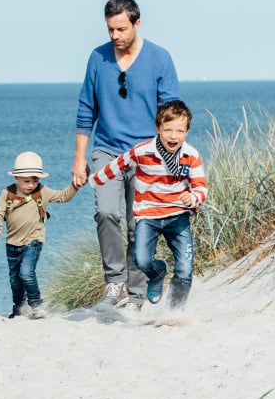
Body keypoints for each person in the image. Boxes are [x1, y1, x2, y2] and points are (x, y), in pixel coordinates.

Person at [71, 0, 180, 309]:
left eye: (121, 29)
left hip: (148, 154)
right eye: (110, 30)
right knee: (106, 212)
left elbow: (171, 114)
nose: (115, 36)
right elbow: (85, 109)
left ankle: (136, 294)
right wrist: (79, 158)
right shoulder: (97, 58)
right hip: (107, 150)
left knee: (138, 225)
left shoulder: (160, 59)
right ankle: (114, 283)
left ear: (137, 23)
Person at [89, 100, 207, 308]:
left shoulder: (191, 156)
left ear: (187, 132)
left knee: (185, 268)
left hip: (178, 217)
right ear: (157, 128)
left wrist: (194, 197)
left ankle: (175, 310)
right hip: (148, 216)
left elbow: (200, 187)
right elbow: (119, 164)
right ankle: (157, 272)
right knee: (142, 260)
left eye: (179, 131)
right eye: (167, 129)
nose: (173, 136)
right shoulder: (142, 151)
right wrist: (96, 179)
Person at [0, 152, 80, 319]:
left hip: (34, 240)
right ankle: (18, 307)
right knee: (15, 280)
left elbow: (63, 196)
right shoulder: (7, 193)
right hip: (12, 243)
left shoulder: (42, 192)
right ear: (16, 177)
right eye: (26, 181)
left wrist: (75, 185)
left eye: (35, 180)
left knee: (26, 273)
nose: (31, 185)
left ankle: (36, 305)